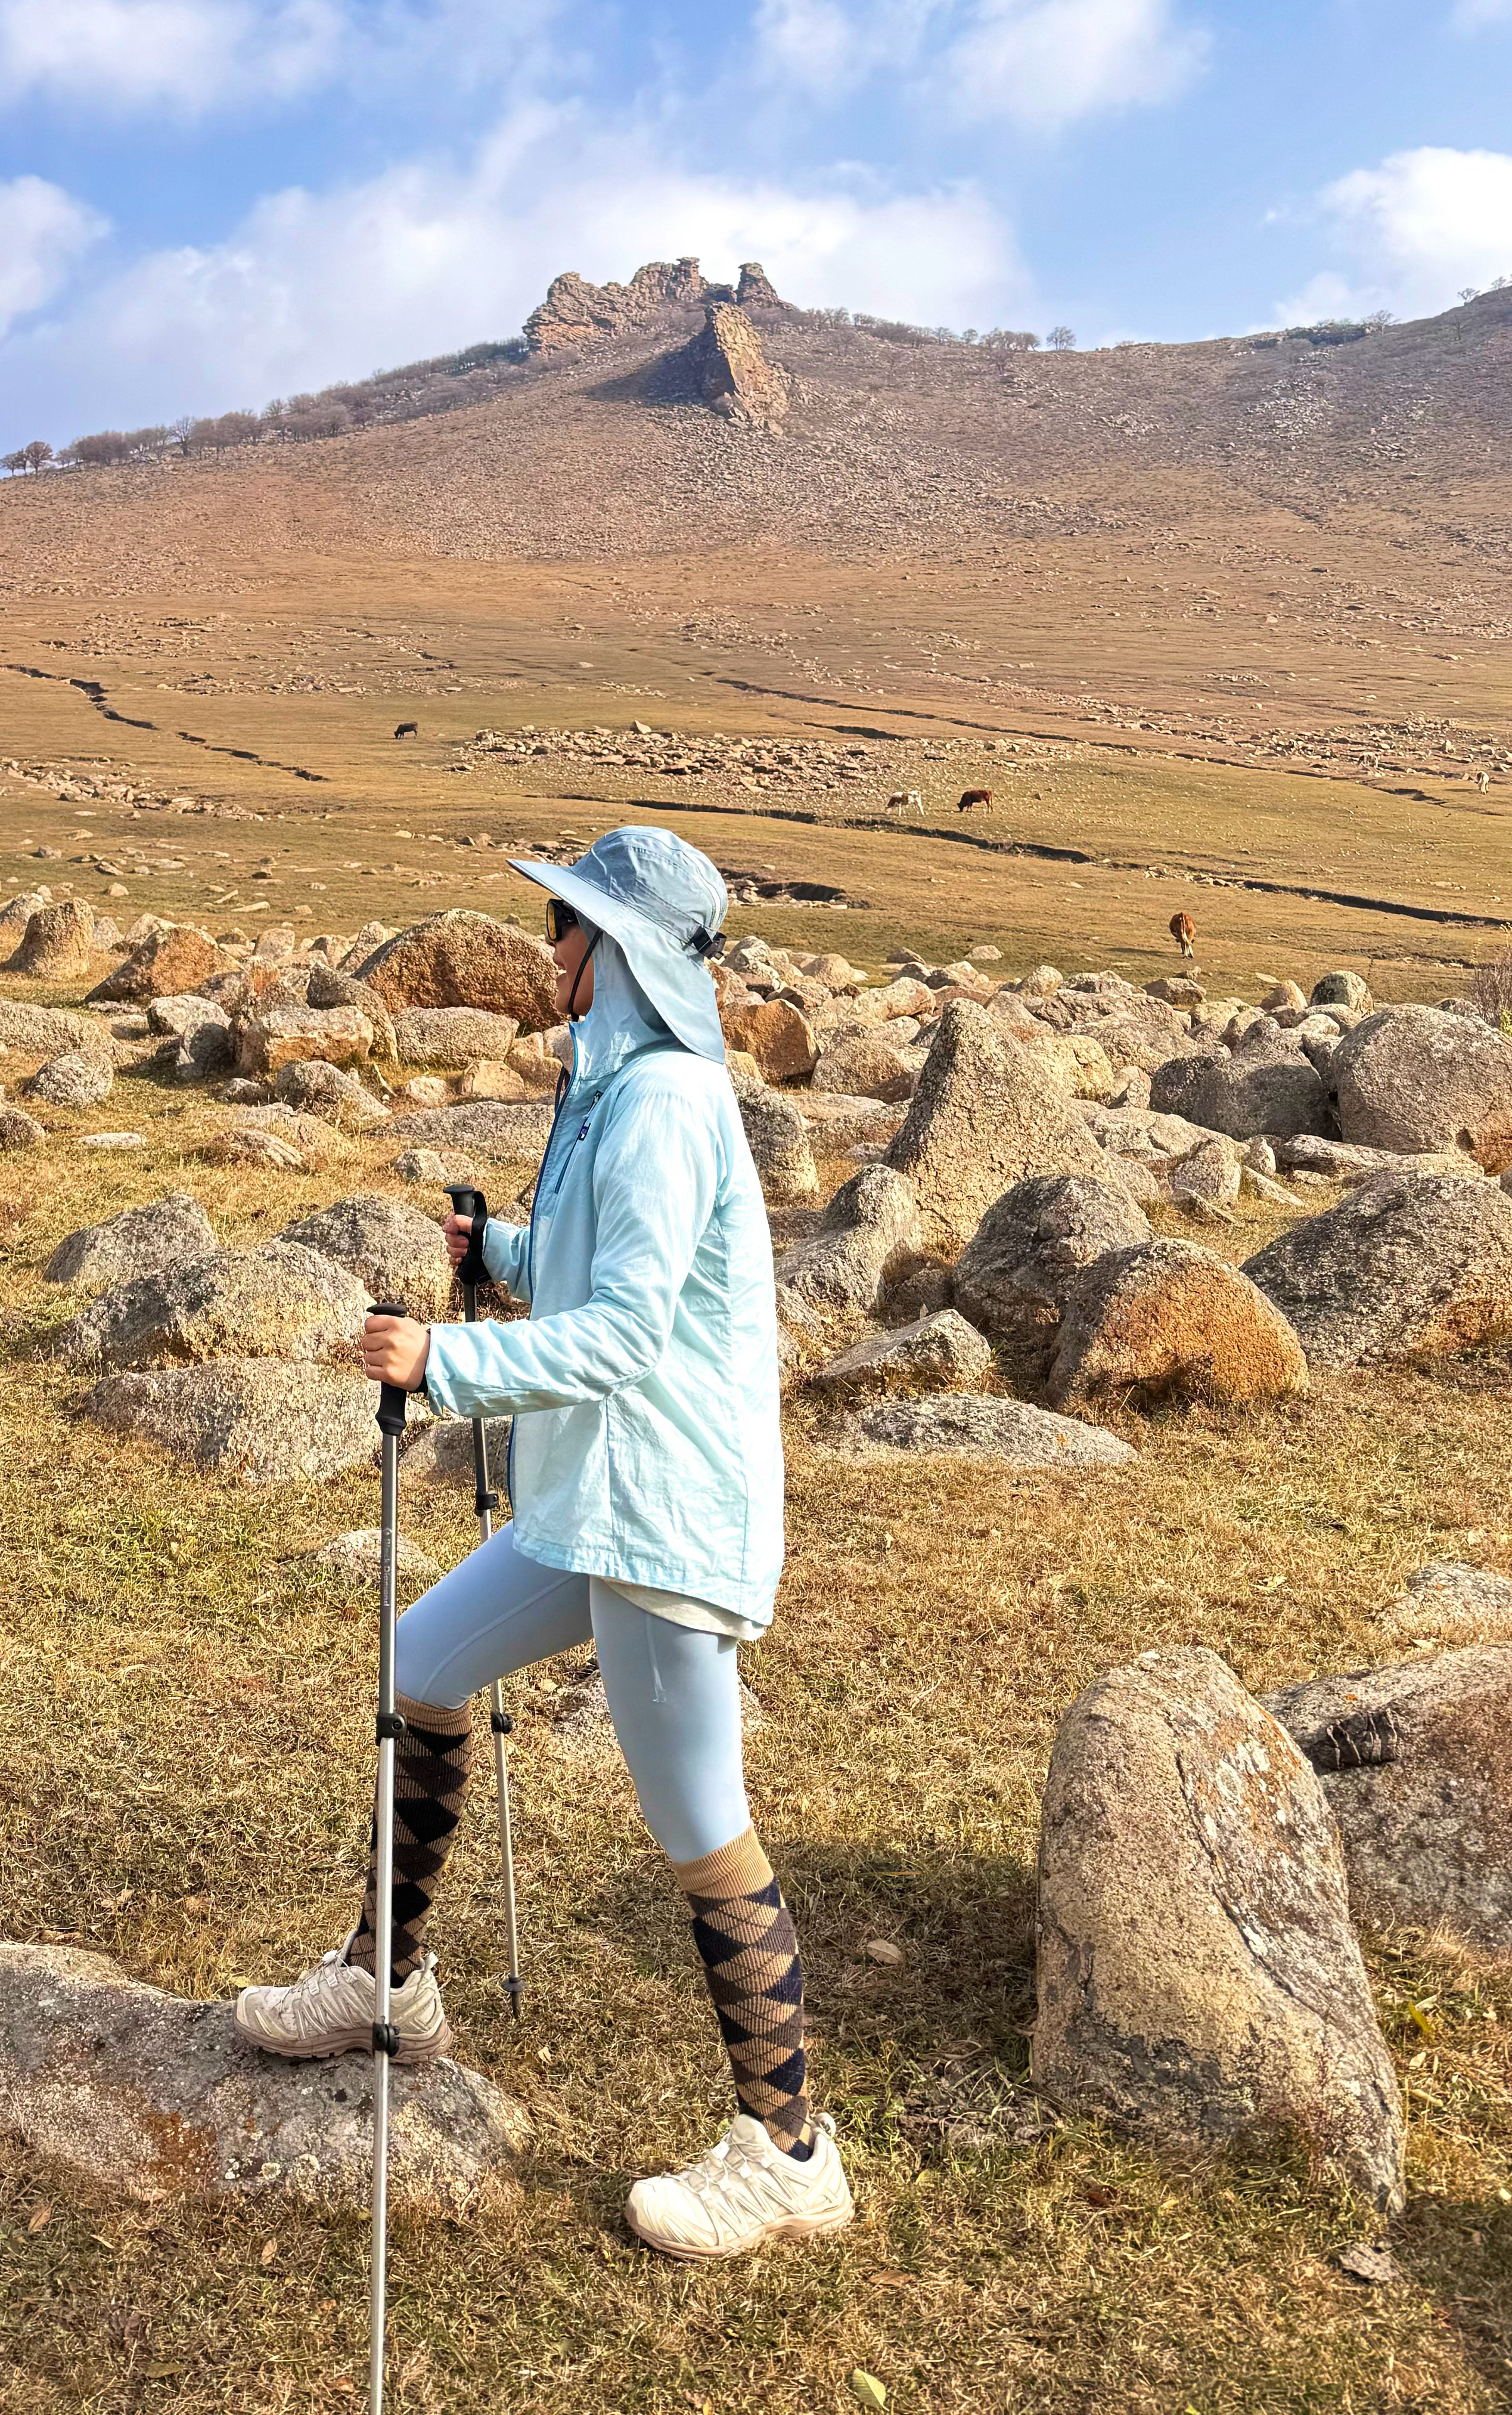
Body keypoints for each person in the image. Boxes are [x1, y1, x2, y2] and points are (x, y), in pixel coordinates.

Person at [234, 824, 853, 2260]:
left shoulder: (664, 1105)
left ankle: (790, 2151)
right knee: (421, 1663)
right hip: (593, 1502)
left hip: (662, 1516)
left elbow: (635, 1334)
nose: (550, 949)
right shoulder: (611, 1087)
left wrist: (442, 1360)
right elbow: (607, 1277)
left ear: (625, 955)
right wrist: (503, 1258)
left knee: (701, 1821)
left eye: (570, 928)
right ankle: (389, 1981)